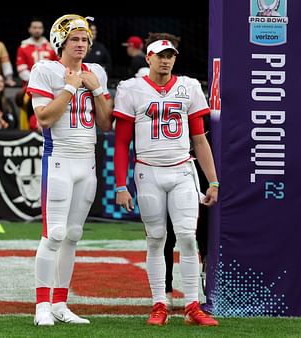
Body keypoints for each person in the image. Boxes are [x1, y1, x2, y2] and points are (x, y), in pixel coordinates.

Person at [113, 32, 219, 326]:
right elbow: (122, 142)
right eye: (160, 55)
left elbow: (199, 139)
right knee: (156, 239)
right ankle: (159, 303)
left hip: (182, 170)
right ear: (148, 57)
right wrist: (121, 184)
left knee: (186, 236)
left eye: (170, 55)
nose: (165, 60)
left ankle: (192, 305)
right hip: (148, 172)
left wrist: (213, 180)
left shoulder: (188, 87)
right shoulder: (131, 89)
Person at [27, 14, 113, 326]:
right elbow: (44, 118)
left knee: (73, 235)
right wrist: (70, 88)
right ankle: (42, 305)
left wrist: (97, 91)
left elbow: (106, 123)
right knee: (54, 234)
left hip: (87, 162)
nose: (81, 44)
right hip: (59, 159)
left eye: (85, 39)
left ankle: (61, 303)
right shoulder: (45, 69)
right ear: (60, 42)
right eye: (75, 39)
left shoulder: (97, 72)